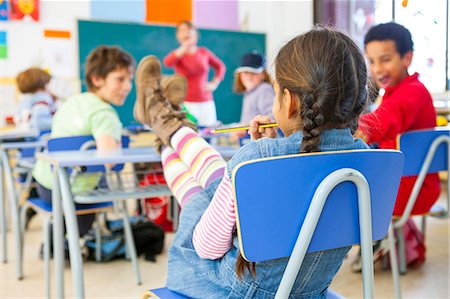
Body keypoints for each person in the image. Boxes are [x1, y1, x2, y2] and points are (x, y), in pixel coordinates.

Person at [134, 26, 368, 297]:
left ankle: (163, 121)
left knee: (203, 196)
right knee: (221, 183)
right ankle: (164, 121)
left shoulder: (255, 160)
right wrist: (265, 150)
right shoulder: (363, 161)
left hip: (234, 291)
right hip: (309, 289)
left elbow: (206, 247)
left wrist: (257, 153)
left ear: (288, 101)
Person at [354, 22, 440, 271]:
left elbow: (387, 117)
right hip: (404, 182)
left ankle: (372, 241)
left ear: (407, 58)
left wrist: (363, 128)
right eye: (371, 61)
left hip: (412, 187)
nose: (377, 69)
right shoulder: (397, 91)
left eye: (385, 59)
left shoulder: (412, 93)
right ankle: (377, 241)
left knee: (348, 190)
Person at [32, 45, 135, 241]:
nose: (128, 86)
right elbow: (110, 160)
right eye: (120, 79)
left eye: (129, 80)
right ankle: (67, 243)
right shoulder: (105, 114)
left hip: (45, 184)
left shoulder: (73, 101)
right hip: (74, 192)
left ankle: (56, 242)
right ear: (97, 79)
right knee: (96, 200)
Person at [163, 20, 226, 127]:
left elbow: (220, 66)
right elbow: (167, 62)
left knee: (209, 133)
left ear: (195, 34)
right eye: (182, 31)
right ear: (178, 35)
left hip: (206, 101)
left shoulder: (203, 52)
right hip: (186, 103)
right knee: (189, 133)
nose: (186, 33)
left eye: (189, 30)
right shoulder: (178, 54)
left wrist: (214, 84)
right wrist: (184, 48)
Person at [231, 51, 274, 141]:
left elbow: (272, 118)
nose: (249, 77)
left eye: (254, 73)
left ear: (263, 74)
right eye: (246, 72)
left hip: (261, 140)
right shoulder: (249, 92)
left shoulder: (264, 89)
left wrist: (247, 129)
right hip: (249, 139)